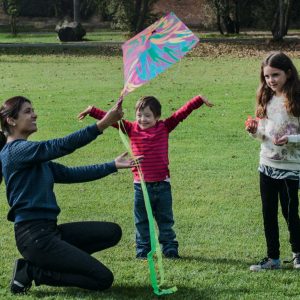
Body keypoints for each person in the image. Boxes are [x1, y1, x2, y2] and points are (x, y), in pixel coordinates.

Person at [0, 96, 142, 294]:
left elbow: (70, 174)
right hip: (34, 238)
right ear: (11, 120)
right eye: (27, 111)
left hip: (49, 231)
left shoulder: (32, 155)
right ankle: (32, 271)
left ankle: (55, 262)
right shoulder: (15, 152)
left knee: (111, 232)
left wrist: (112, 165)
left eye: (33, 110)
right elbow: (61, 145)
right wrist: (103, 124)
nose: (34, 114)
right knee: (102, 278)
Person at [78, 94, 213, 259]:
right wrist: (92, 110)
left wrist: (198, 100)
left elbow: (181, 113)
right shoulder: (131, 128)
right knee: (142, 222)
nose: (143, 119)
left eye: (148, 116)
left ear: (157, 117)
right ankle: (143, 251)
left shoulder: (164, 127)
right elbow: (110, 120)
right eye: (139, 115)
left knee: (165, 220)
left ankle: (170, 249)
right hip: (140, 187)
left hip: (162, 185)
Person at [245, 52, 300, 271]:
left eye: (275, 75)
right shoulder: (266, 97)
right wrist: (253, 131)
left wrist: (291, 139)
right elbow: (263, 133)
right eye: (267, 76)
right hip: (267, 164)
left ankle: (298, 253)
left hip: (290, 168)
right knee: (268, 212)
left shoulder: (297, 99)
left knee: (289, 212)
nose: (271, 81)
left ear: (288, 73)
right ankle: (272, 258)